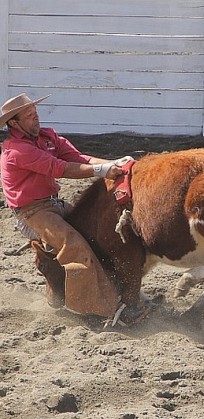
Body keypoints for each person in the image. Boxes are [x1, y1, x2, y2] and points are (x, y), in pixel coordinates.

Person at [0, 93, 148, 324]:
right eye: (29, 116)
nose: (35, 119)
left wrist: (116, 163)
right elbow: (61, 168)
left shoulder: (46, 137)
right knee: (76, 246)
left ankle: (110, 293)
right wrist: (103, 170)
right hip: (33, 213)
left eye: (35, 114)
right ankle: (110, 311)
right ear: (14, 123)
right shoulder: (17, 150)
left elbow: (79, 158)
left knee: (95, 234)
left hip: (51, 203)